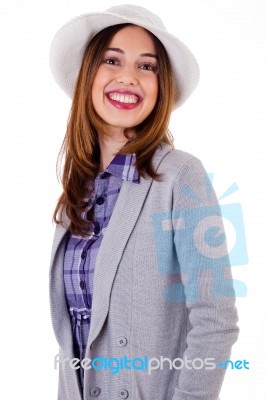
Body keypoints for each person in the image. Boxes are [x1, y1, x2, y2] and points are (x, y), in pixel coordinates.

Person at [49, 4, 239, 400]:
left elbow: (216, 320)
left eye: (147, 66)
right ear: (87, 75)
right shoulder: (75, 193)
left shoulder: (182, 176)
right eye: (111, 60)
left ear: (161, 85)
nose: (128, 77)